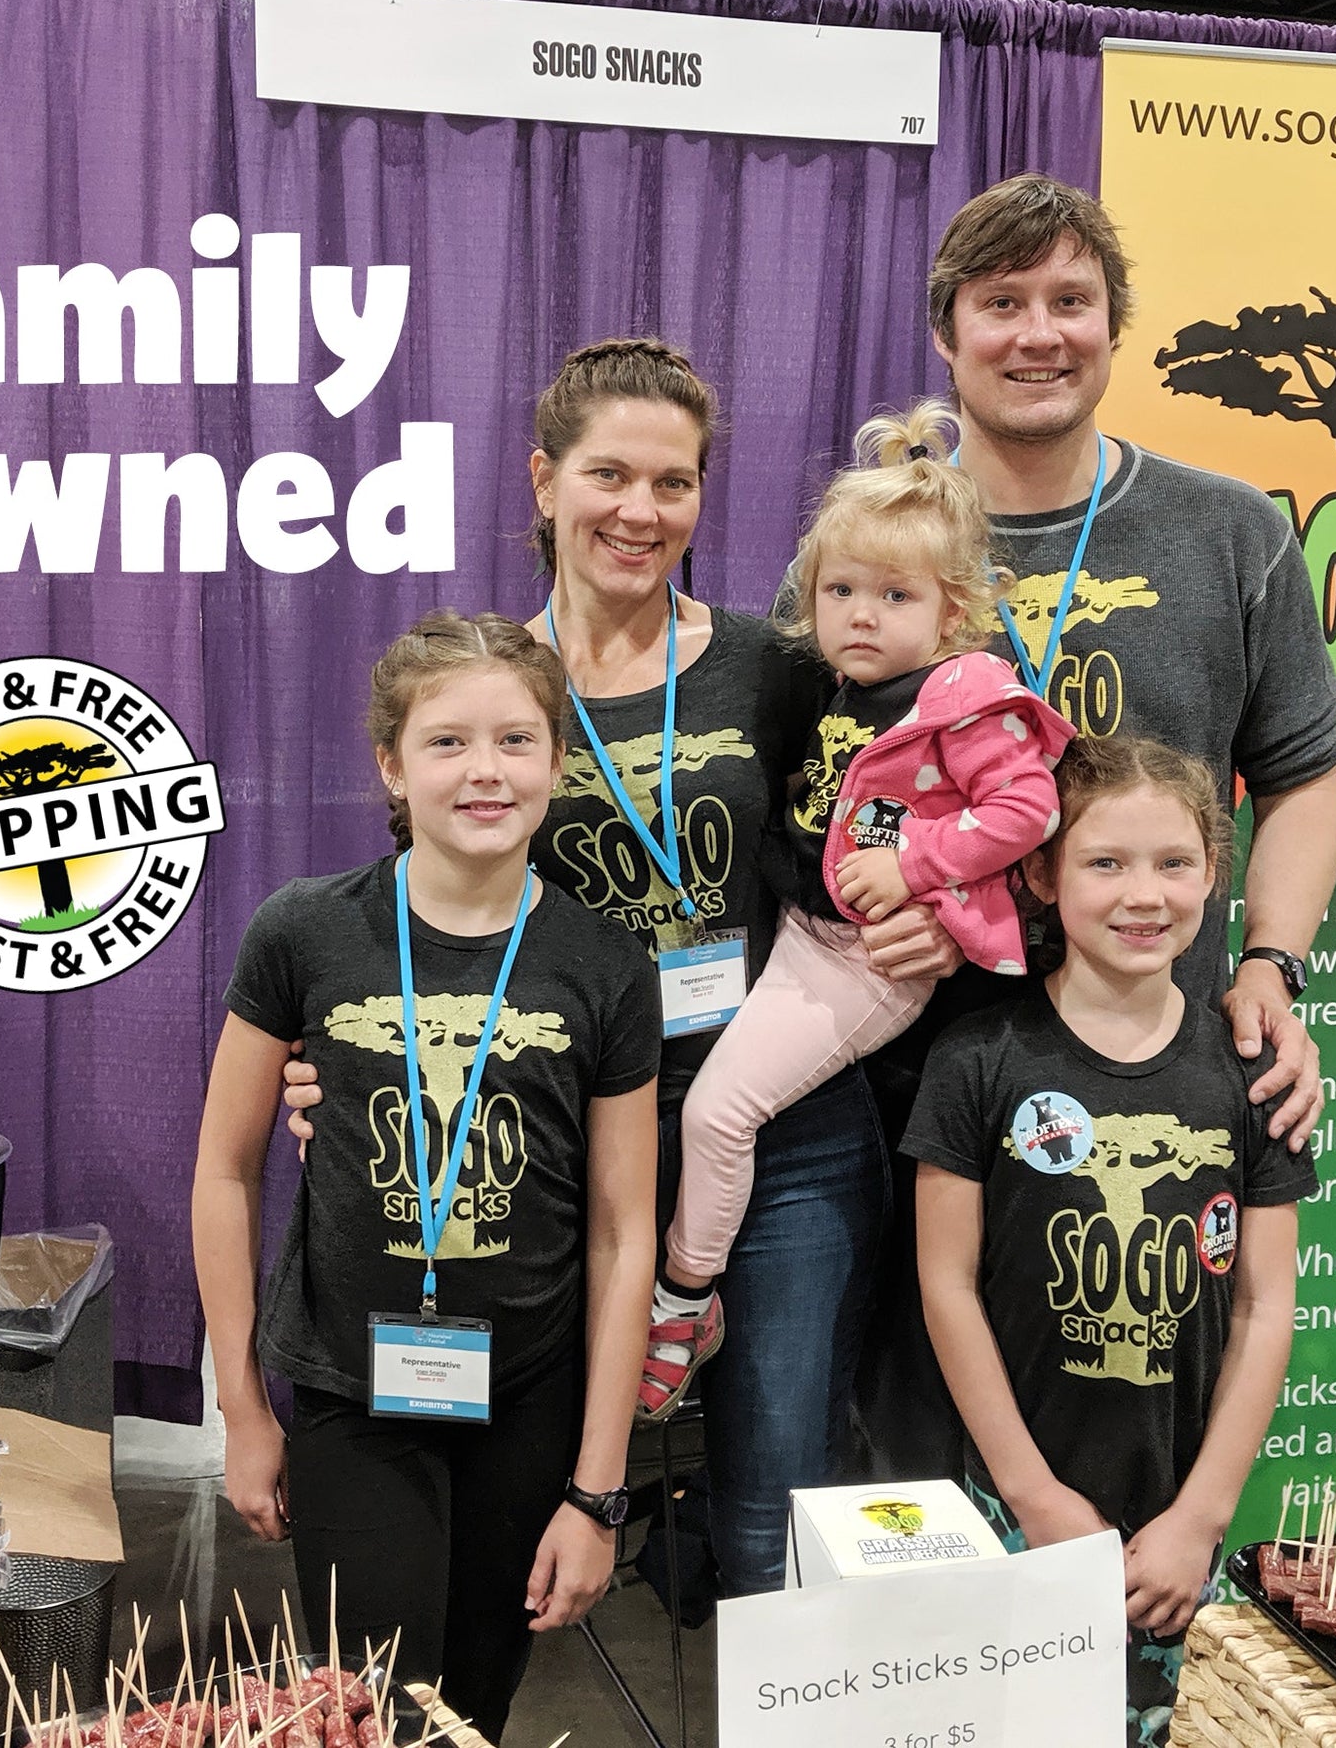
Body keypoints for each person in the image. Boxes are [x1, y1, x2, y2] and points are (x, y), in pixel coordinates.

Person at [290, 339, 964, 1599]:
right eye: (608, 474)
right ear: (543, 481)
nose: (639, 510)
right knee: (529, 1490)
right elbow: (423, 907)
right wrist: (337, 1059)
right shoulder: (490, 680)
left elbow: (920, 797)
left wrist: (943, 908)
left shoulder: (778, 663)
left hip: (782, 1123)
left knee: (775, 1504)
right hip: (566, 1134)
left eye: (673, 481)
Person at [192, 611, 659, 1742]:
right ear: (392, 766)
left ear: (557, 761)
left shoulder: (604, 962)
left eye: (515, 739)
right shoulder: (305, 930)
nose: (484, 769)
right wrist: (243, 1409)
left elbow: (622, 1229)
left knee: (473, 1712)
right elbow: (224, 1170)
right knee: (375, 1709)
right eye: (447, 741)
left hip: (529, 1401)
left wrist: (597, 1489)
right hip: (355, 1397)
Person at [646, 419, 1073, 1407]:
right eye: (839, 591)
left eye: (895, 595)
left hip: (860, 959)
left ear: (954, 608)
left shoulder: (964, 690)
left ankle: (684, 1297)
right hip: (800, 929)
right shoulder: (852, 684)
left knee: (719, 1111)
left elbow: (1028, 808)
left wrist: (917, 863)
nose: (861, 616)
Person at [907, 733, 1317, 1747]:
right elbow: (946, 1284)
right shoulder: (977, 1061)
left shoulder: (1251, 1074)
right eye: (1105, 862)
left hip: (1178, 1528)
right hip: (1013, 1505)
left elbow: (1265, 1304)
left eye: (1174, 862)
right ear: (1041, 875)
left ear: (1213, 871)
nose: (1144, 894)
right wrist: (1032, 1495)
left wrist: (1200, 1518)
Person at [924, 172, 1336, 1128]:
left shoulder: (1233, 532)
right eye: (1002, 304)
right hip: (915, 1076)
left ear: (1113, 327)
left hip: (1165, 1071)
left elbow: (1301, 780)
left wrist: (1270, 968)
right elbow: (817, 790)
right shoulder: (866, 544)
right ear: (946, 335)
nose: (1040, 335)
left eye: (1071, 301)